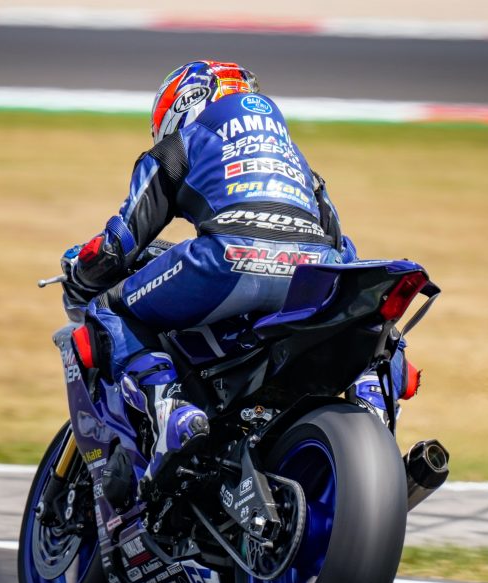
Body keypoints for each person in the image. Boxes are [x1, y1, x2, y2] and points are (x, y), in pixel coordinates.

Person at [61, 60, 390, 498]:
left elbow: (119, 245)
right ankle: (371, 395)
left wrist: (80, 269)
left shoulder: (180, 145)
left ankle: (171, 407)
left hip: (227, 260)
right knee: (368, 315)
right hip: (311, 274)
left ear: (180, 105)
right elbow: (342, 248)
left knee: (108, 309)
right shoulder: (297, 160)